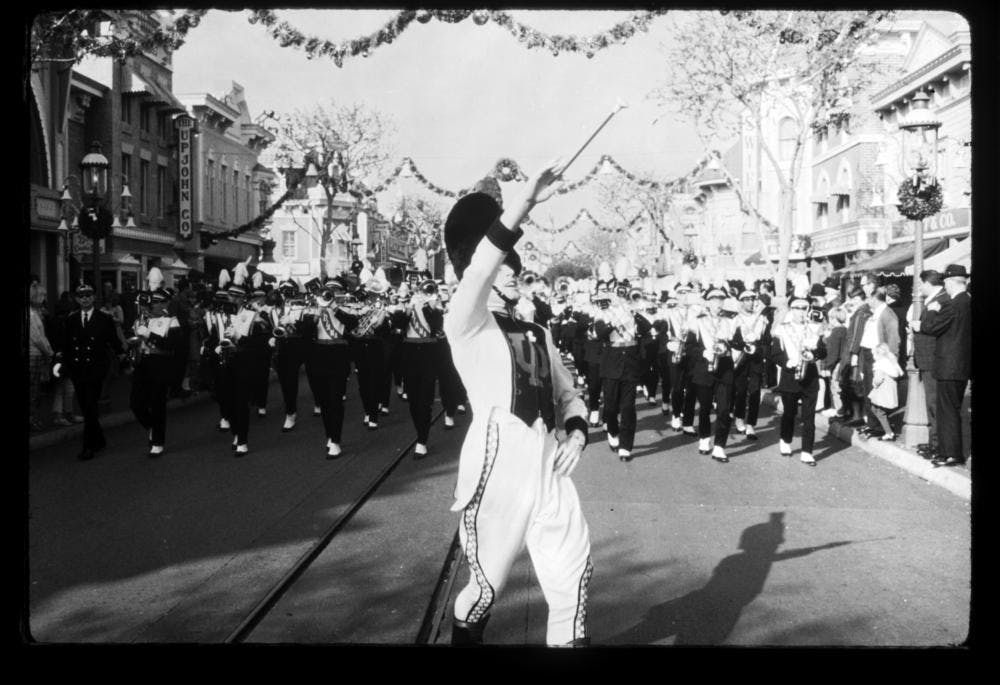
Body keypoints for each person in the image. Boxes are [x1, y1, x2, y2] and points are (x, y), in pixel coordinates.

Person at [442, 161, 592, 647]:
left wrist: (577, 431)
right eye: (501, 267)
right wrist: (523, 202)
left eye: (515, 270)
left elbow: (568, 392)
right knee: (485, 589)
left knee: (573, 580)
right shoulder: (465, 322)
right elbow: (482, 263)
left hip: (547, 461)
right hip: (496, 466)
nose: (509, 274)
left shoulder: (537, 331)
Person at [53, 283, 124, 461]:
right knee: (86, 406)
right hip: (77, 369)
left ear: (93, 298)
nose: (84, 299)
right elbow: (65, 343)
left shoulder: (104, 318)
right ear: (77, 299)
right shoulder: (71, 319)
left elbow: (113, 341)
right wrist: (60, 361)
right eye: (81, 296)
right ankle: (99, 439)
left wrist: (123, 356)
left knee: (90, 406)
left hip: (96, 368)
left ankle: (88, 446)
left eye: (88, 295)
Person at [913, 264, 971, 468]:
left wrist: (927, 318)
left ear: (954, 282)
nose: (944, 285)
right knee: (950, 410)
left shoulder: (954, 304)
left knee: (948, 412)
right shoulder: (966, 302)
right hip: (959, 365)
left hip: (949, 365)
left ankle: (952, 454)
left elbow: (934, 327)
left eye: (945, 282)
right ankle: (948, 452)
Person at [594, 282, 649, 462]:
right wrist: (614, 320)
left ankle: (626, 446)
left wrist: (635, 314)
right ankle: (612, 430)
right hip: (612, 359)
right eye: (617, 294)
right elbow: (600, 334)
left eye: (623, 294)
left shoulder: (633, 312)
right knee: (610, 407)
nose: (621, 297)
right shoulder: (602, 314)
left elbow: (648, 329)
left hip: (630, 361)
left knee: (628, 407)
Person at [770, 298, 827, 466]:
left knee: (809, 417)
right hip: (790, 376)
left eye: (804, 308)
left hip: (810, 377)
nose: (801, 312)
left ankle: (807, 452)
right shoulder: (783, 329)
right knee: (790, 413)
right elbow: (775, 352)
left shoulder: (814, 328)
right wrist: (786, 362)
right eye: (797, 309)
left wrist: (814, 355)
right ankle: (786, 440)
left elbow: (823, 351)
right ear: (791, 310)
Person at [128, 289, 185, 456]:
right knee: (136, 403)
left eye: (161, 302)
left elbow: (172, 345)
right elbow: (135, 340)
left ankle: (158, 441)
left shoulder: (171, 321)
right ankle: (152, 426)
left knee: (157, 403)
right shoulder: (141, 320)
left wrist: (150, 335)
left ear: (167, 303)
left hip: (160, 363)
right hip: (142, 363)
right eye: (154, 302)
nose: (157, 305)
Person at [683, 287, 736, 463]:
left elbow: (737, 342)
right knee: (705, 408)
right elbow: (690, 347)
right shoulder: (698, 321)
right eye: (714, 300)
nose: (718, 303)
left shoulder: (731, 320)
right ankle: (705, 438)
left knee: (724, 410)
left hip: (725, 368)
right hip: (704, 369)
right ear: (708, 302)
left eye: (721, 299)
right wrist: (703, 353)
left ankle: (720, 446)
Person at [907, 270, 947, 460]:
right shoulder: (934, 300)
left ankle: (937, 445)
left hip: (932, 360)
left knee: (934, 404)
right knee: (931, 404)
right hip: (927, 359)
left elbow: (934, 328)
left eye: (920, 284)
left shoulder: (941, 300)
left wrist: (918, 326)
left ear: (928, 283)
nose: (919, 288)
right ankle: (934, 442)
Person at [857, 285, 900, 437]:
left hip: (879, 358)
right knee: (869, 391)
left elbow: (894, 341)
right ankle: (872, 424)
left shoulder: (888, 315)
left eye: (869, 297)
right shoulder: (875, 313)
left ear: (875, 298)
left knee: (876, 392)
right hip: (870, 355)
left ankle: (879, 427)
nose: (867, 300)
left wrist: (887, 363)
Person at [731, 291, 769, 441]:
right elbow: (732, 340)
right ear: (741, 302)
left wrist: (758, 348)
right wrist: (742, 344)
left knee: (754, 392)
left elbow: (766, 340)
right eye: (746, 300)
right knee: (740, 390)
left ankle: (751, 424)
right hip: (741, 357)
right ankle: (739, 417)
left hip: (756, 358)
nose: (750, 303)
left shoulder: (762, 319)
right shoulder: (736, 319)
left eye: (752, 300)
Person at [29, 282, 54, 432]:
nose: (44, 298)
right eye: (42, 295)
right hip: (34, 355)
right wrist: (49, 352)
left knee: (36, 390)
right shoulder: (31, 315)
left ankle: (34, 418)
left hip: (38, 354)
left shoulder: (36, 313)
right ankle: (32, 419)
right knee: (33, 391)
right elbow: (37, 338)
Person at [867, 342, 904, 441]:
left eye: (874, 354)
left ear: (878, 354)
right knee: (878, 410)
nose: (873, 357)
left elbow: (878, 379)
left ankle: (888, 432)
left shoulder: (880, 364)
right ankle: (887, 429)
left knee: (877, 410)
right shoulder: (890, 363)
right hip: (888, 391)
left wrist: (874, 384)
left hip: (881, 391)